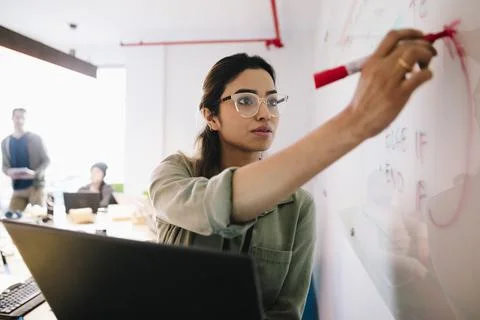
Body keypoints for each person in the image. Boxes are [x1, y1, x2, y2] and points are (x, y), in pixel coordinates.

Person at [149, 29, 437, 319]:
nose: (266, 114)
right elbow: (218, 205)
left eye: (272, 101)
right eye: (246, 101)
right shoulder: (174, 174)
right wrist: (356, 120)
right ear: (211, 117)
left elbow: (286, 313)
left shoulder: (299, 207)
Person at [1, 108, 50, 211]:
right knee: (12, 219)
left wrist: (35, 173)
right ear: (12, 118)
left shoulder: (36, 139)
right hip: (18, 189)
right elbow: (5, 167)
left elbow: (46, 160)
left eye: (22, 118)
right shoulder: (5, 142)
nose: (20, 121)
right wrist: (9, 172)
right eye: (17, 117)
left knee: (38, 219)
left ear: (26, 120)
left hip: (36, 187)